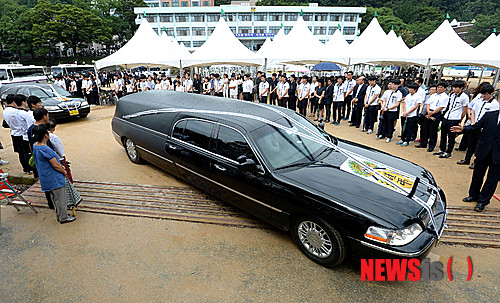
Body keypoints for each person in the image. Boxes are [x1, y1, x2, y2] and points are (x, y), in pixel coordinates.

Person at [451, 85, 499, 212]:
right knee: (477, 175)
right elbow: (477, 126)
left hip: (498, 154)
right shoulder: (491, 115)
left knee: (492, 180)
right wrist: (463, 129)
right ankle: (473, 195)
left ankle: (483, 201)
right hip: (483, 149)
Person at [31, 125, 75, 223]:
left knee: (55, 199)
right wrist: (64, 171)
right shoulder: (45, 149)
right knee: (61, 199)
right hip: (54, 178)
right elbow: (55, 165)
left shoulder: (35, 146)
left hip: (45, 177)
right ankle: (64, 218)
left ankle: (59, 215)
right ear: (46, 135)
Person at [458, 82, 493, 166]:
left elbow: (490, 118)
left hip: (483, 128)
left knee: (479, 146)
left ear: (491, 94)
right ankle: (467, 159)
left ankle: (475, 162)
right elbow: (473, 111)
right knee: (471, 144)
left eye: (485, 94)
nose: (483, 96)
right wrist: (474, 123)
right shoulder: (479, 100)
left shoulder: (494, 104)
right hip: (474, 125)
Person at [434, 81, 469, 159]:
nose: (454, 89)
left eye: (456, 87)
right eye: (454, 87)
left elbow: (464, 109)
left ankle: (448, 152)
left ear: (461, 88)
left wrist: (460, 119)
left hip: (455, 118)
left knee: (451, 136)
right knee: (443, 134)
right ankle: (442, 149)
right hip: (447, 117)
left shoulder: (464, 97)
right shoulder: (451, 95)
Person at [416, 83, 449, 152]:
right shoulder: (433, 95)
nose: (439, 88)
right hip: (428, 112)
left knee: (433, 131)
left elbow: (441, 107)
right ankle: (423, 143)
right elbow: (428, 104)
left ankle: (431, 146)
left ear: (445, 88)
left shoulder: (445, 97)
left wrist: (432, 113)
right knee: (425, 129)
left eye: (441, 87)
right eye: (438, 87)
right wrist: (428, 111)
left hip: (436, 113)